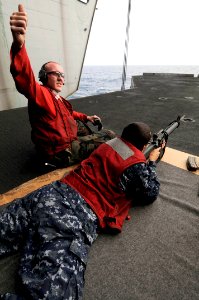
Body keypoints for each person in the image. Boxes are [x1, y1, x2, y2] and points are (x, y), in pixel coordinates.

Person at [0, 121, 162, 300]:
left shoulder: (109, 143)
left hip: (51, 191)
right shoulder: (137, 164)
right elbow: (150, 193)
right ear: (145, 145)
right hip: (73, 214)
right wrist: (152, 162)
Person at [9, 4, 115, 168]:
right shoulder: (41, 94)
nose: (60, 78)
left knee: (79, 124)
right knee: (108, 135)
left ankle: (85, 145)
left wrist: (87, 117)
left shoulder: (56, 97)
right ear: (44, 77)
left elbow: (69, 112)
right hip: (59, 153)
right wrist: (19, 46)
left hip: (54, 144)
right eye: (55, 74)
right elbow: (24, 79)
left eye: (62, 75)